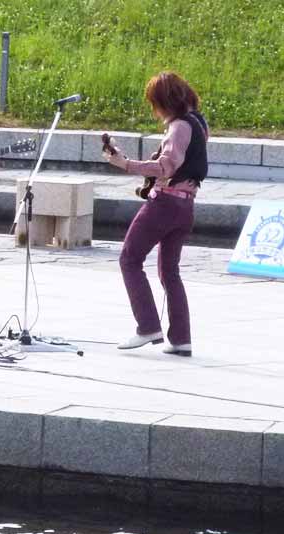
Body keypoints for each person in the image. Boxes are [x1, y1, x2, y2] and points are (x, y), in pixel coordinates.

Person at [102, 71, 207, 357]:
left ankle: (147, 326)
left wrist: (125, 165)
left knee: (129, 259)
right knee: (170, 272)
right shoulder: (198, 122)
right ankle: (181, 338)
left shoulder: (178, 127)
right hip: (187, 206)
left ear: (164, 101)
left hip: (165, 204)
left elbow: (166, 167)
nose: (154, 109)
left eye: (155, 102)